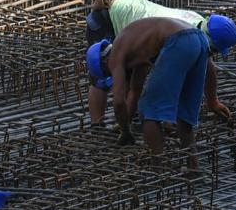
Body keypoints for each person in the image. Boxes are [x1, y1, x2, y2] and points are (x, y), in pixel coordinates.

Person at [85, 0, 236, 128]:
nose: (214, 53)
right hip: (110, 16)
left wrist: (213, 101)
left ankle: (128, 118)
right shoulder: (183, 39)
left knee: (132, 74)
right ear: (210, 40)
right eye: (216, 49)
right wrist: (164, 116)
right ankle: (97, 126)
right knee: (103, 72)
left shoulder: (200, 26)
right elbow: (164, 80)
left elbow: (207, 65)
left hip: (135, 14)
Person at [87, 18, 210, 163]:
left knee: (149, 110)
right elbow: (135, 89)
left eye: (109, 73)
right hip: (199, 40)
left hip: (178, 40)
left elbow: (119, 102)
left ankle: (159, 167)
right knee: (183, 114)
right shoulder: (138, 47)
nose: (114, 73)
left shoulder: (114, 55)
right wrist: (126, 122)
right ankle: (193, 168)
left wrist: (125, 131)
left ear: (104, 62)